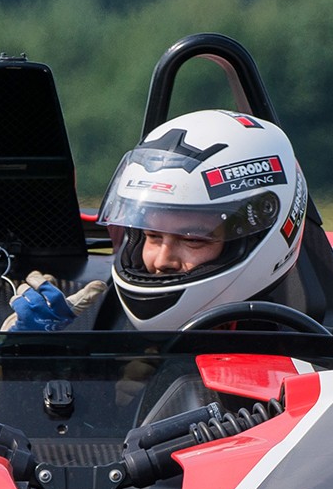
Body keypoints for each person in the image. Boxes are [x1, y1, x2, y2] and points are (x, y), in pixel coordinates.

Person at [100, 110, 309, 330]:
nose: (162, 261)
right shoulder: (100, 317)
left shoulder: (305, 344)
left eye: (192, 239)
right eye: (152, 235)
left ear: (253, 237)